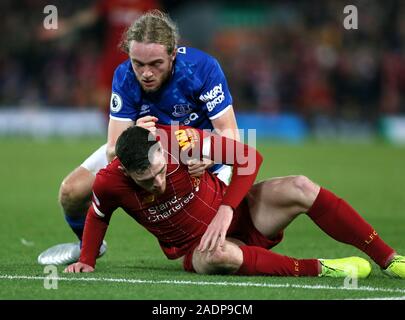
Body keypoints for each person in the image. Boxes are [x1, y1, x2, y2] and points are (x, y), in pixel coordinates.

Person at [64, 124, 405, 279]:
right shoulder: (109, 181)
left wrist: (226, 209)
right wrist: (88, 259)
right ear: (124, 169)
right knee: (217, 255)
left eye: (159, 169)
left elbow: (249, 158)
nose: (158, 181)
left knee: (301, 186)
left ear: (158, 143)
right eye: (146, 179)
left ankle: (388, 259)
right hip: (199, 245)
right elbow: (98, 213)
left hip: (240, 213)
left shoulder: (180, 139)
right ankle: (324, 268)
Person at [37, 10, 240, 265]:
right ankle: (89, 245)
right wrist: (136, 135)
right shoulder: (124, 76)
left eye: (156, 64)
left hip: (196, 154)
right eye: (138, 64)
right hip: (143, 147)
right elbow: (114, 150)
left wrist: (210, 157)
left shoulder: (203, 69)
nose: (146, 73)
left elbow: (230, 134)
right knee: (70, 192)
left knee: (215, 249)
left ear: (173, 53)